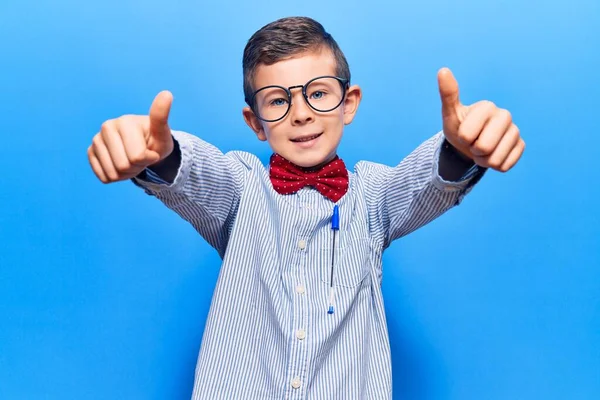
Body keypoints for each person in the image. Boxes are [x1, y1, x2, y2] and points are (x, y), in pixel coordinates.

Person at [87, 16, 524, 400]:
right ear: (255, 123)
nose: (301, 114)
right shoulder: (242, 187)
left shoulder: (373, 195)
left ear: (348, 103)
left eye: (318, 93)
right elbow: (203, 176)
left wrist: (460, 150)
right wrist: (162, 154)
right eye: (278, 100)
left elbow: (420, 184)